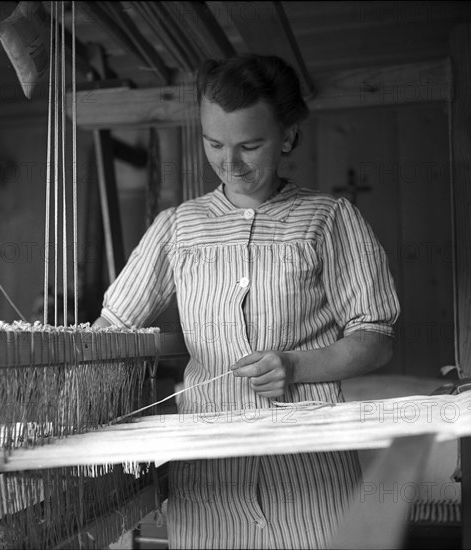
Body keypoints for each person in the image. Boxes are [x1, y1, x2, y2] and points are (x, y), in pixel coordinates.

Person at [93, 54, 400, 549]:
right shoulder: (178, 228)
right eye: (214, 143)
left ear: (289, 137)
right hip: (209, 485)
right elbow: (111, 326)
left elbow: (376, 339)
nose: (230, 164)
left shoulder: (329, 220)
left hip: (311, 480)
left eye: (250, 145)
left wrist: (295, 366)